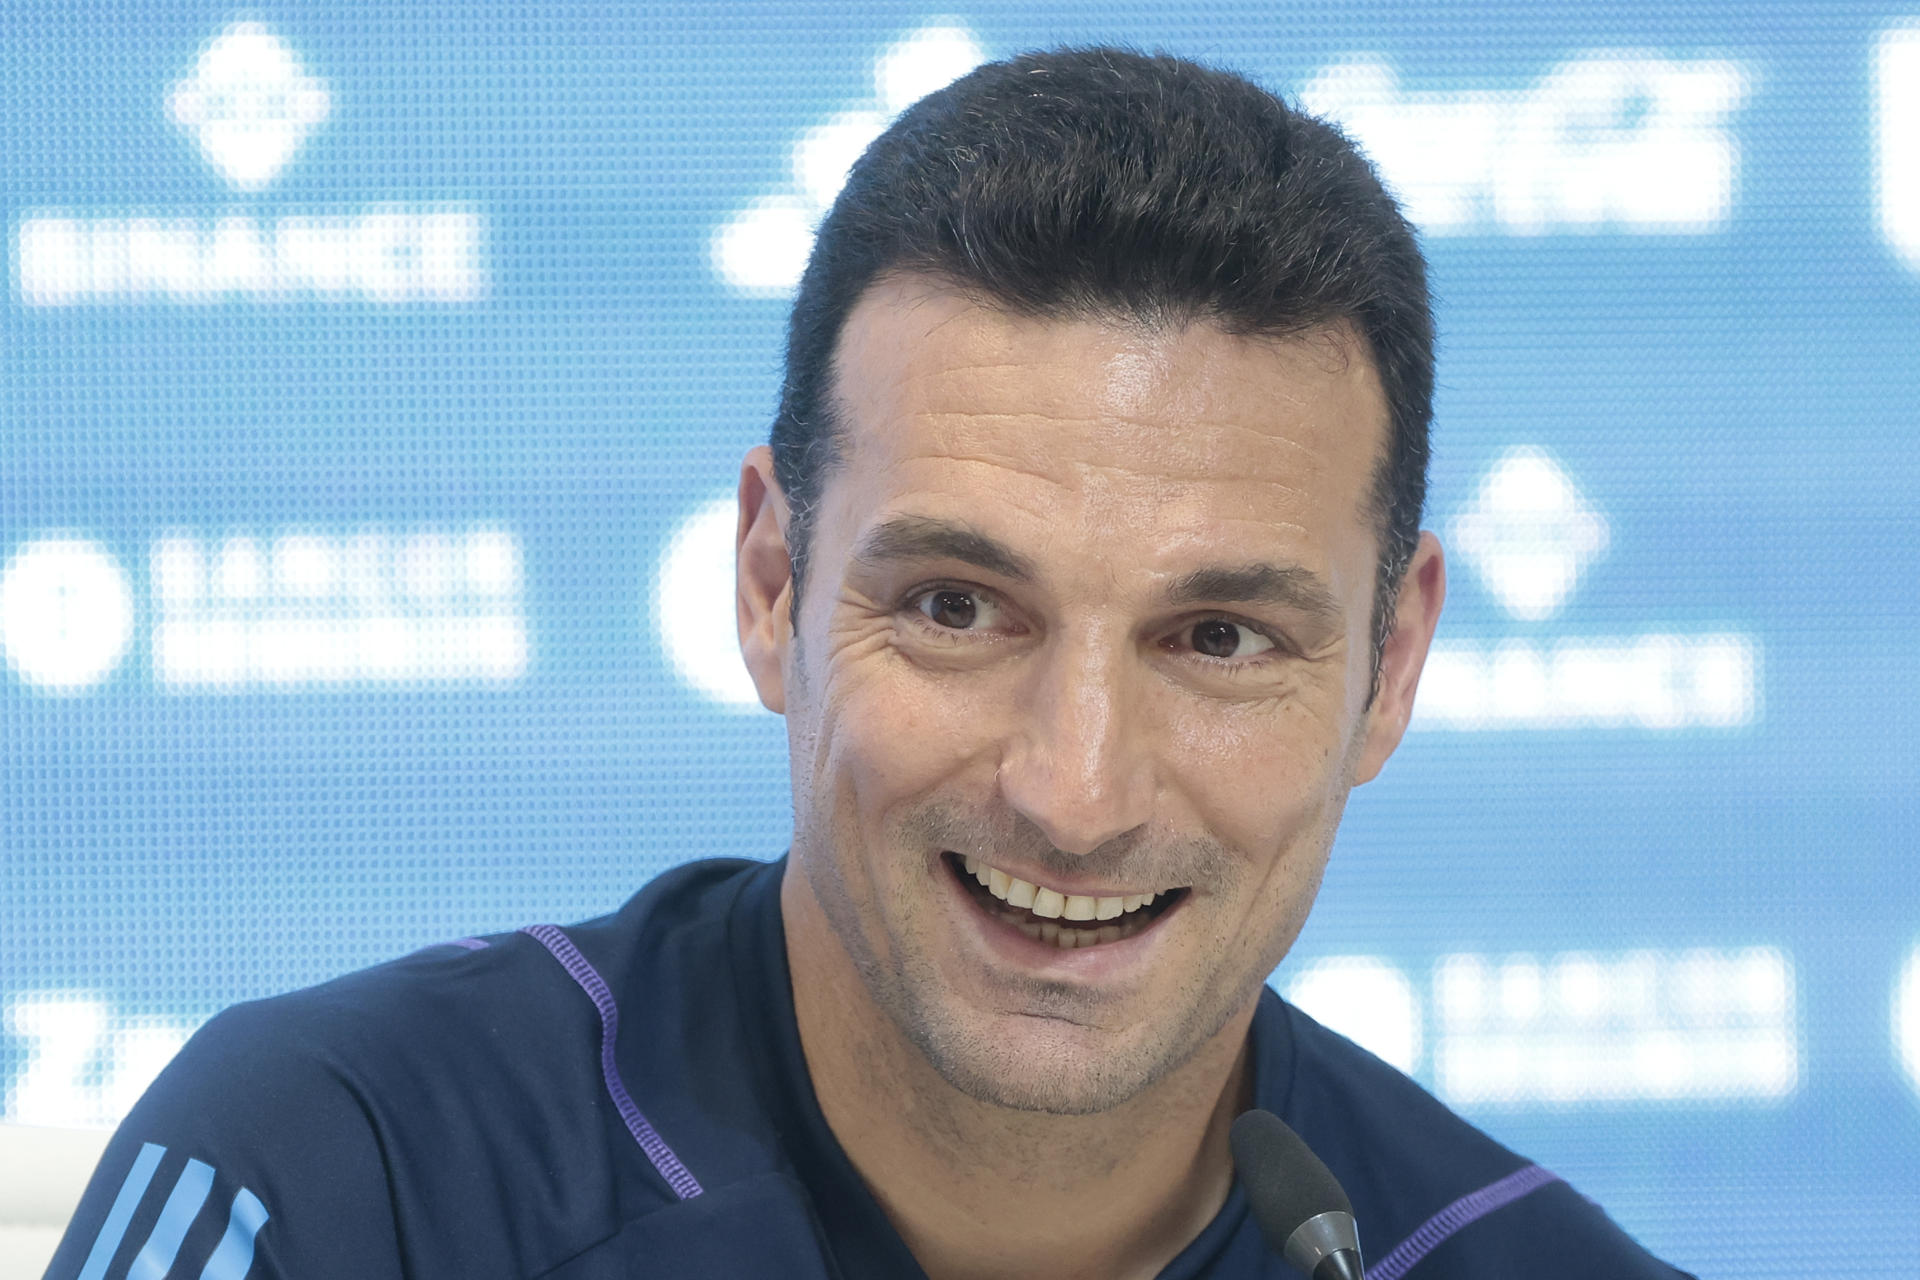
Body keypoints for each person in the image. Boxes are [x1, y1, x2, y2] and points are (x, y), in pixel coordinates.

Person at [46, 47, 1696, 1280]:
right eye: (962, 609)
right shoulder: (343, 1182)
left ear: (1392, 667)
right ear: (773, 581)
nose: (1078, 789)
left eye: (1216, 639)